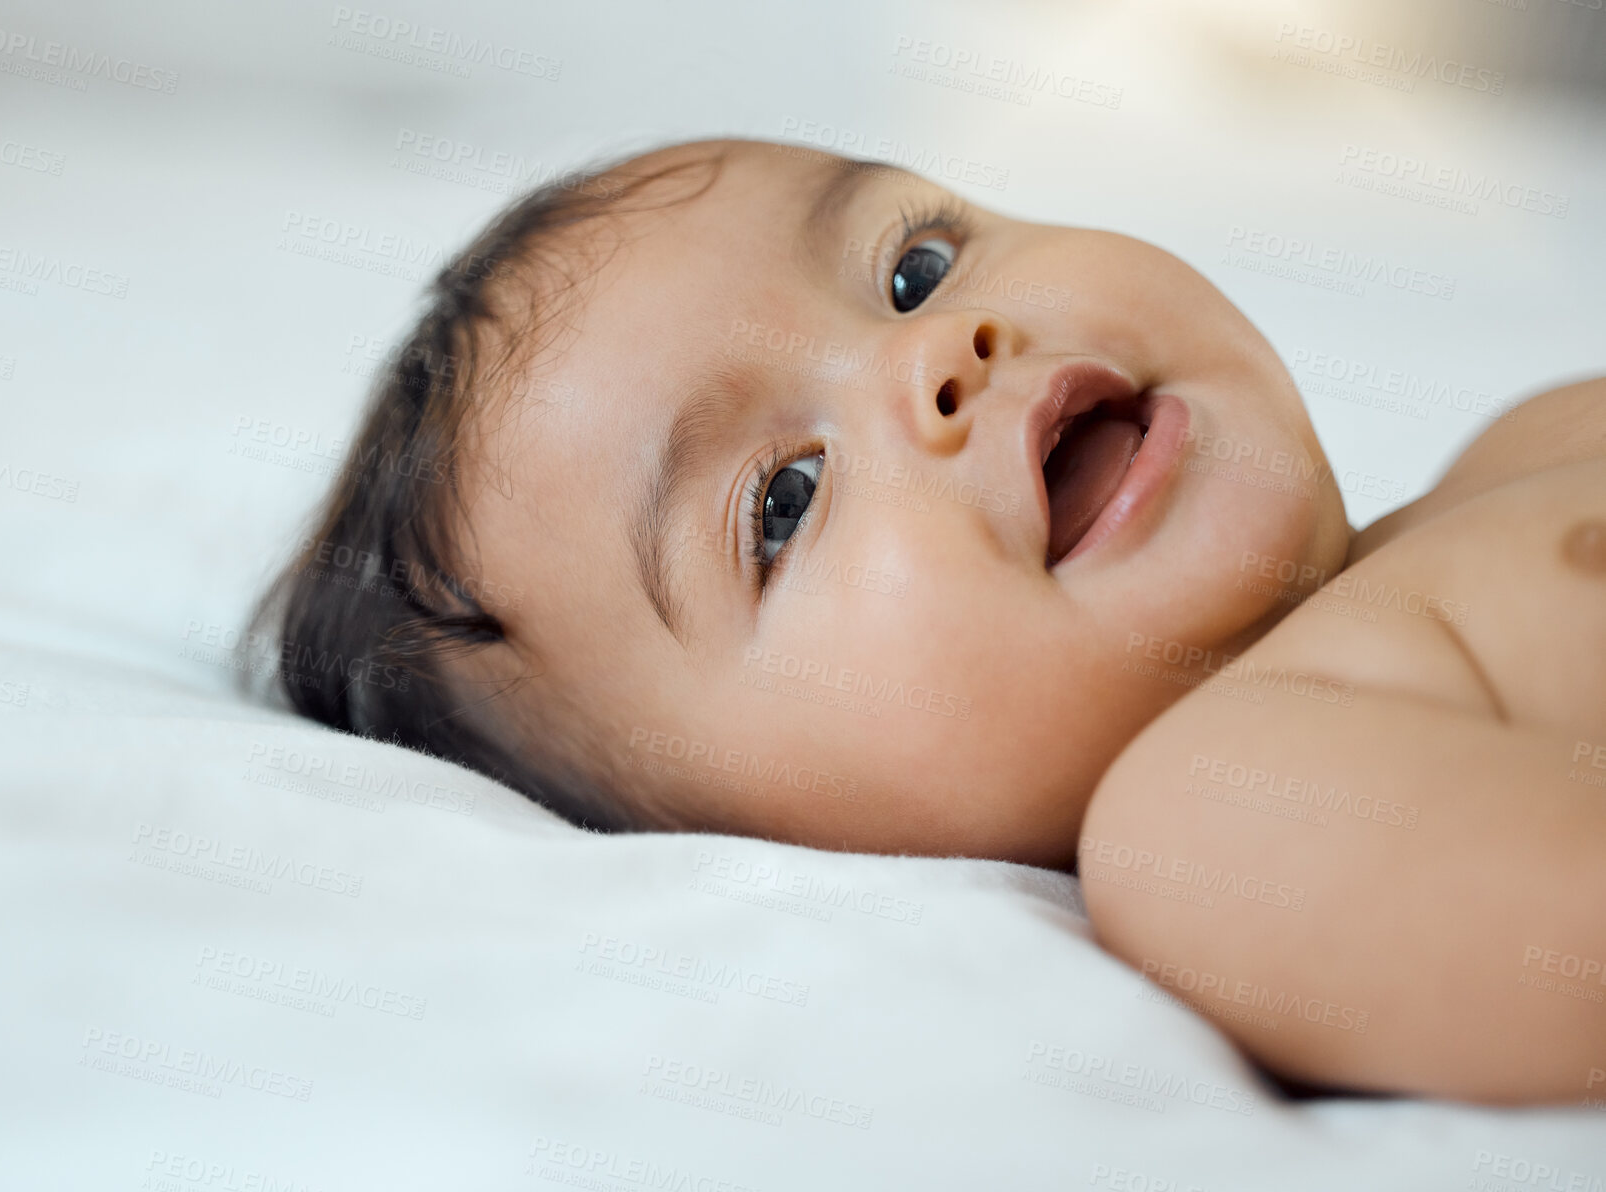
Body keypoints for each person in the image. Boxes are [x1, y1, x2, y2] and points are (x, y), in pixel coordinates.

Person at [249, 137, 1606, 1106]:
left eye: (916, 266)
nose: (938, 351)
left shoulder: (1529, 436)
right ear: (761, 829)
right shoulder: (1223, 814)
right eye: (783, 503)